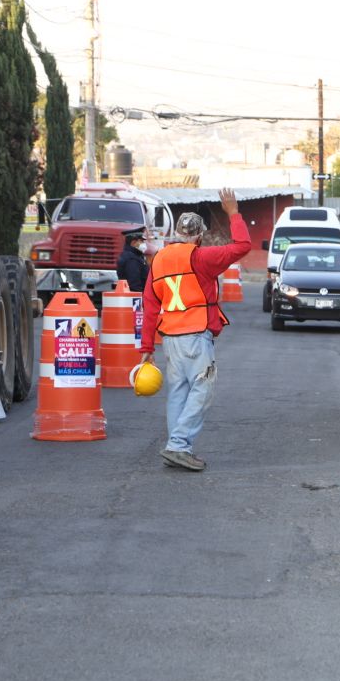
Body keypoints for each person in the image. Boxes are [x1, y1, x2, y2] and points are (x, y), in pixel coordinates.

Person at [139, 189, 251, 471]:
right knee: (203, 388)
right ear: (199, 237)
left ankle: (177, 446)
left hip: (171, 338)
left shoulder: (159, 260)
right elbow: (242, 246)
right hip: (196, 335)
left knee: (179, 392)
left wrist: (147, 348)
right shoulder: (201, 258)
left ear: (176, 234)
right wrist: (233, 213)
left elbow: (149, 305)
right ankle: (178, 445)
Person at [116, 227, 149, 292]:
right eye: (141, 241)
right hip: (135, 296)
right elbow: (134, 285)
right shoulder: (131, 259)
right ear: (133, 243)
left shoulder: (136, 255)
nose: (144, 244)